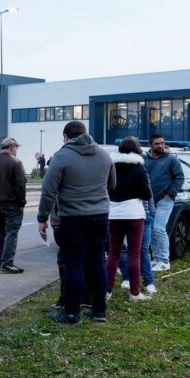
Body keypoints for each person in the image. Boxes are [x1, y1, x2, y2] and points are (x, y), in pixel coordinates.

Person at [37, 121, 115, 323]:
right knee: (98, 262)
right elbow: (112, 184)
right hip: (100, 216)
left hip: (73, 218)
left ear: (65, 136)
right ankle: (99, 311)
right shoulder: (104, 155)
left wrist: (42, 218)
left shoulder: (62, 156)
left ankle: (72, 312)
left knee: (74, 265)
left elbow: (48, 191)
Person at [105, 137, 153, 301]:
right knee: (134, 254)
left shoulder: (111, 167)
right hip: (134, 214)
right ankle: (135, 292)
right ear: (137, 150)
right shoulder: (139, 168)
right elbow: (147, 194)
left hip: (114, 213)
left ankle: (107, 291)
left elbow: (107, 188)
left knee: (113, 254)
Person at [144, 134, 185, 272]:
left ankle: (164, 260)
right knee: (151, 230)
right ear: (151, 145)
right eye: (157, 144)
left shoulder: (171, 159)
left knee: (159, 228)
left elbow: (179, 177)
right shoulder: (144, 159)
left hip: (164, 199)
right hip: (148, 200)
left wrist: (170, 194)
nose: (160, 146)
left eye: (162, 143)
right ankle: (156, 259)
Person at [0, 137, 27, 273]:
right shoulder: (16, 163)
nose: (17, 151)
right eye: (16, 148)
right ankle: (7, 262)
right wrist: (21, 203)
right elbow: (20, 186)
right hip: (11, 205)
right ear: (12, 147)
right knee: (11, 232)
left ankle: (0, 260)